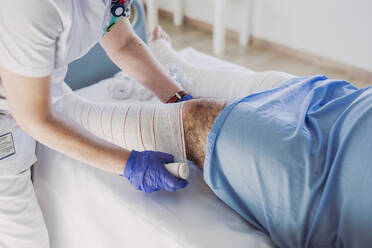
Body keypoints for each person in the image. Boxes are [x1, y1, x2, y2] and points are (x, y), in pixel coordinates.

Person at [61, 28, 372, 248]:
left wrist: (129, 162)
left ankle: (68, 107)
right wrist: (174, 92)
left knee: (196, 120)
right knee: (278, 85)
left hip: (328, 188)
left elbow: (122, 36)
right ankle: (179, 67)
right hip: (352, 109)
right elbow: (119, 32)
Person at [0, 1, 191, 247]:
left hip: (34, 85)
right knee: (25, 239)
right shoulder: (32, 6)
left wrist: (177, 99)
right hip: (7, 115)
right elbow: (34, 117)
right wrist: (130, 164)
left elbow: (123, 42)